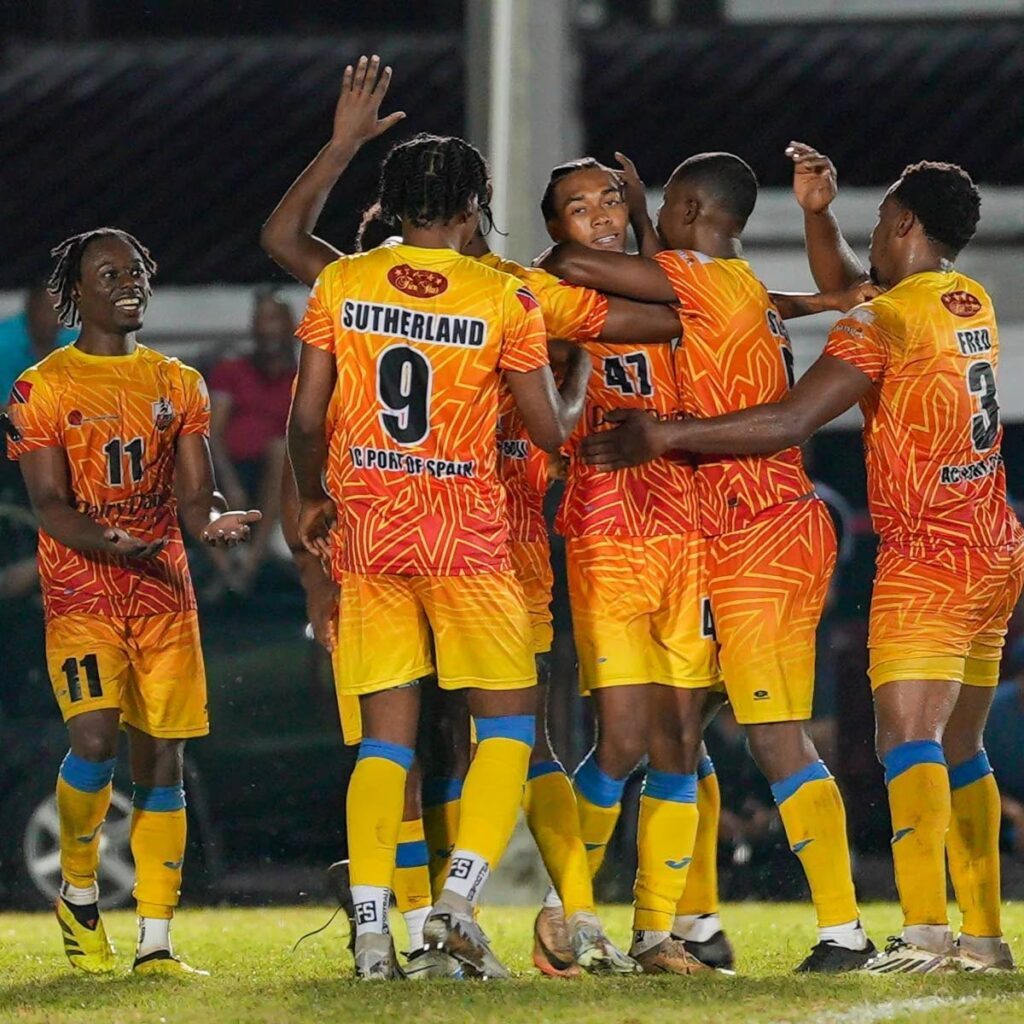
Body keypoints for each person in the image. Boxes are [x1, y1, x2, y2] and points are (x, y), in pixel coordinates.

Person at [265, 56, 673, 979]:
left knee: (387, 741)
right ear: (480, 204)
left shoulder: (346, 285)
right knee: (509, 732)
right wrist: (574, 372)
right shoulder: (510, 294)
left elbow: (302, 419)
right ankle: (455, 904)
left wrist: (316, 498)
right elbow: (579, 402)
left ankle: (376, 931)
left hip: (369, 532)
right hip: (474, 534)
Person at [580, 145, 1023, 973]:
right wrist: (816, 216)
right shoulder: (968, 300)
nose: (872, 242)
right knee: (958, 747)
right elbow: (859, 290)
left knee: (903, 740)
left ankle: (915, 932)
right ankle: (984, 937)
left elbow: (789, 419)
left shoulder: (882, 320)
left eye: (878, 226)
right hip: (992, 541)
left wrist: (662, 434)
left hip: (906, 548)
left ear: (901, 224)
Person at [543, 150, 875, 973]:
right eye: (582, 205)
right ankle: (681, 926)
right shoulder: (732, 284)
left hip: (759, 534)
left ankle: (843, 934)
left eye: (619, 201)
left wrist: (564, 247)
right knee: (676, 729)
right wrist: (827, 295)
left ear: (681, 213)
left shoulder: (687, 279)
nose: (610, 214)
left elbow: (588, 265)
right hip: (697, 533)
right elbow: (755, 298)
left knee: (768, 735)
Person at [6, 228, 260, 977]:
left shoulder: (179, 382)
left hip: (163, 596)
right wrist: (107, 538)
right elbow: (50, 504)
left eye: (138, 270)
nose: (130, 282)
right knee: (93, 742)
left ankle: (155, 942)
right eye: (110, 272)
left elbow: (194, 491)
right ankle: (79, 890)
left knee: (163, 761)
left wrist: (209, 519)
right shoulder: (41, 386)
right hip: (83, 593)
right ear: (76, 293)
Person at [206, 288, 296, 597]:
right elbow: (213, 434)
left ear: (290, 326)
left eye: (273, 320)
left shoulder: (304, 377)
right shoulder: (232, 370)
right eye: (260, 321)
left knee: (280, 450)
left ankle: (249, 566)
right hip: (230, 469)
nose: (266, 328)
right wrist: (230, 484)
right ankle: (227, 572)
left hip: (281, 477)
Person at [0, 285, 77, 409]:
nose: (59, 320)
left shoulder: (72, 342)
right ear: (31, 308)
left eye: (62, 312)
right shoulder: (3, 345)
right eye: (51, 311)